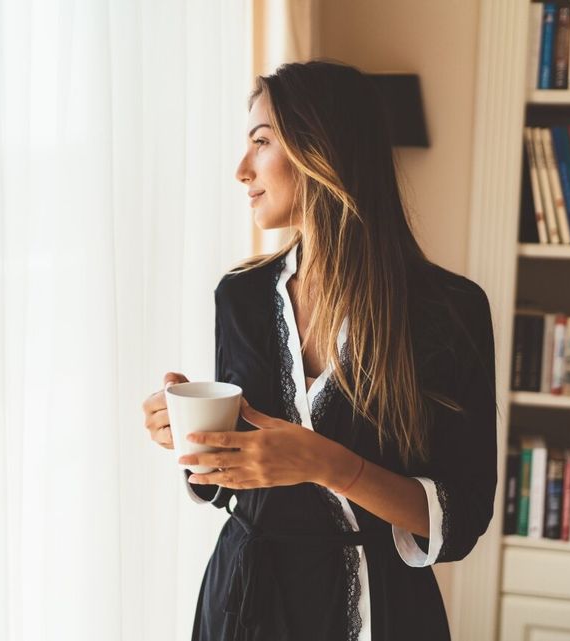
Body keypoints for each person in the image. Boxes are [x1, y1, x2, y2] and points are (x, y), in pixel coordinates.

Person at [140, 60, 497, 641]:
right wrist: (195, 442)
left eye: (261, 142)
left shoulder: (448, 311)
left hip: (382, 611)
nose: (241, 170)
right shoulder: (242, 296)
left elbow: (460, 519)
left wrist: (329, 464)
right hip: (245, 604)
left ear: (322, 149)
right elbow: (227, 483)